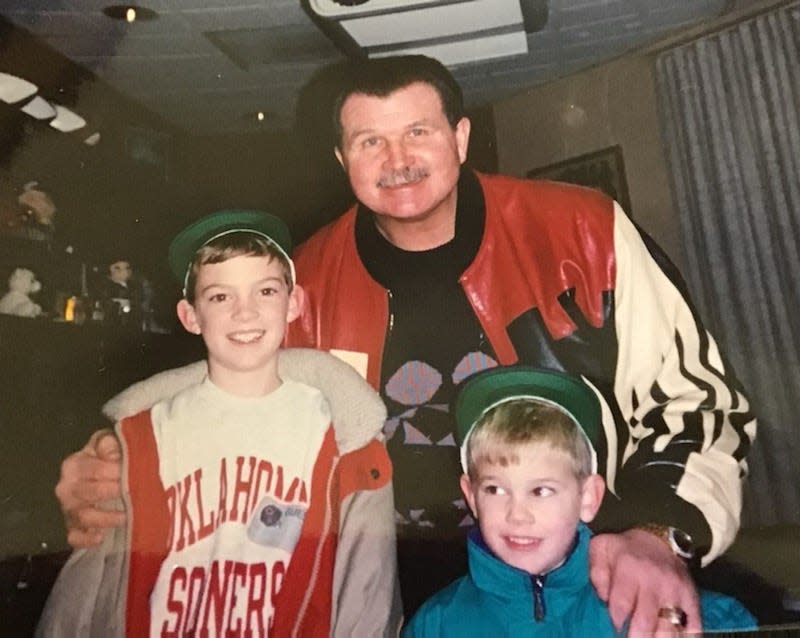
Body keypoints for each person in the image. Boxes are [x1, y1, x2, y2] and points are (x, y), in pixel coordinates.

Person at [55, 55, 755, 633]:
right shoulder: (307, 284)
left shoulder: (582, 230)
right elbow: (234, 409)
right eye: (369, 142)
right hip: (394, 592)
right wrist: (109, 458)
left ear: (460, 136)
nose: (397, 160)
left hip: (586, 566)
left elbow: (695, 406)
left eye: (417, 132)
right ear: (342, 159)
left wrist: (653, 533)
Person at [38, 209, 400, 636]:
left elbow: (369, 590)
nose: (245, 313)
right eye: (220, 297)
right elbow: (84, 593)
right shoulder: (143, 434)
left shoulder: (342, 433)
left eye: (265, 291)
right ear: (190, 316)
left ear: (294, 303)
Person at [402, 365, 757, 636]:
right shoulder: (435, 623)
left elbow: (728, 618)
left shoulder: (635, 603)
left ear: (588, 496)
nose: (517, 515)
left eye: (541, 490)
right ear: (471, 496)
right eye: (495, 489)